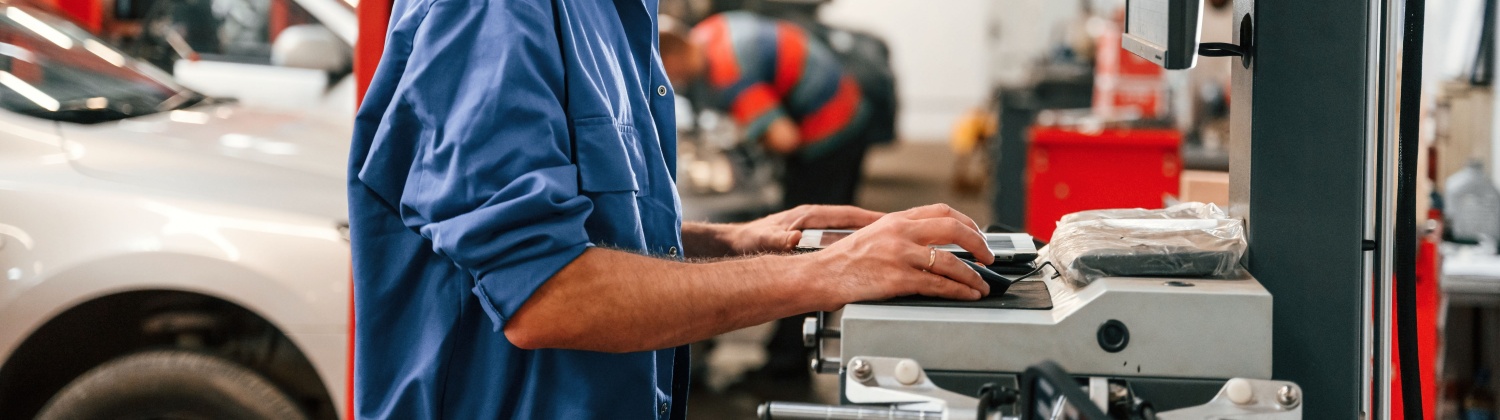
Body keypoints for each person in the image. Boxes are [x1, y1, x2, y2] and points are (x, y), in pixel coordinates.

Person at [347, 0, 993, 418]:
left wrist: (740, 243)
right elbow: (546, 293)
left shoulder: (613, 17)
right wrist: (826, 274)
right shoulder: (495, 13)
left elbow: (600, 236)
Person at [659, 11, 871, 208]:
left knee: (810, 221)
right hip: (847, 93)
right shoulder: (710, 29)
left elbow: (785, 138)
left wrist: (742, 134)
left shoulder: (729, 72)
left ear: (670, 60)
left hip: (832, 124)